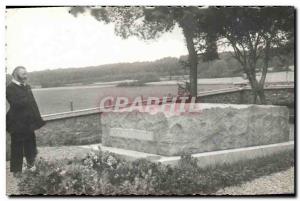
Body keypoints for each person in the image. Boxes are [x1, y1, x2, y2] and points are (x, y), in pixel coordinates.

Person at [6, 66, 46, 177]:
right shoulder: (9, 88)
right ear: (15, 75)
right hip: (16, 122)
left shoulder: (27, 87)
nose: (26, 76)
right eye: (23, 74)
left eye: (26, 73)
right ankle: (16, 171)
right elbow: (16, 104)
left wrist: (38, 119)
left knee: (31, 144)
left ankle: (31, 166)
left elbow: (33, 104)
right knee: (17, 146)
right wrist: (26, 96)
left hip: (28, 122)